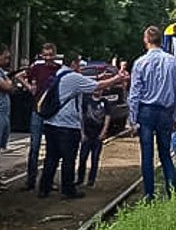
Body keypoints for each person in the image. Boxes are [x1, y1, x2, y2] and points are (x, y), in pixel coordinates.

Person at [39, 56, 126, 199]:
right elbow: (96, 87)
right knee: (69, 158)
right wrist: (117, 79)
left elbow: (87, 82)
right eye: (78, 63)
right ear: (73, 63)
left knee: (51, 157)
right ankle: (68, 189)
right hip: (67, 125)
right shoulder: (73, 77)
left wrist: (99, 77)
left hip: (51, 122)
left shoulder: (59, 73)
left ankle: (44, 188)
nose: (80, 66)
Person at [128, 25, 176, 200]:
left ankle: (149, 195)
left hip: (146, 111)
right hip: (166, 113)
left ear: (146, 40)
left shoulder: (140, 63)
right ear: (161, 41)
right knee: (165, 154)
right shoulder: (174, 62)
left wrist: (132, 119)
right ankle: (172, 193)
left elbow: (134, 93)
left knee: (147, 155)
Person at [15, 43, 61, 191]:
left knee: (51, 148)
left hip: (52, 112)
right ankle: (31, 180)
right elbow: (19, 76)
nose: (47, 58)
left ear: (54, 54)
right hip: (37, 110)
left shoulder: (58, 70)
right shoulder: (37, 68)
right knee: (34, 147)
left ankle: (48, 180)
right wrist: (29, 87)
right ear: (42, 55)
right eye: (45, 55)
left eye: (50, 55)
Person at [77, 76, 113, 187]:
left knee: (95, 158)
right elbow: (81, 117)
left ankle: (91, 180)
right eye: (96, 88)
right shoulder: (86, 100)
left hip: (98, 135)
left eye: (100, 89)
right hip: (87, 134)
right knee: (82, 157)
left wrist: (103, 132)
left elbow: (107, 117)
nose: (98, 90)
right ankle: (80, 179)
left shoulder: (105, 102)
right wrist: (82, 133)